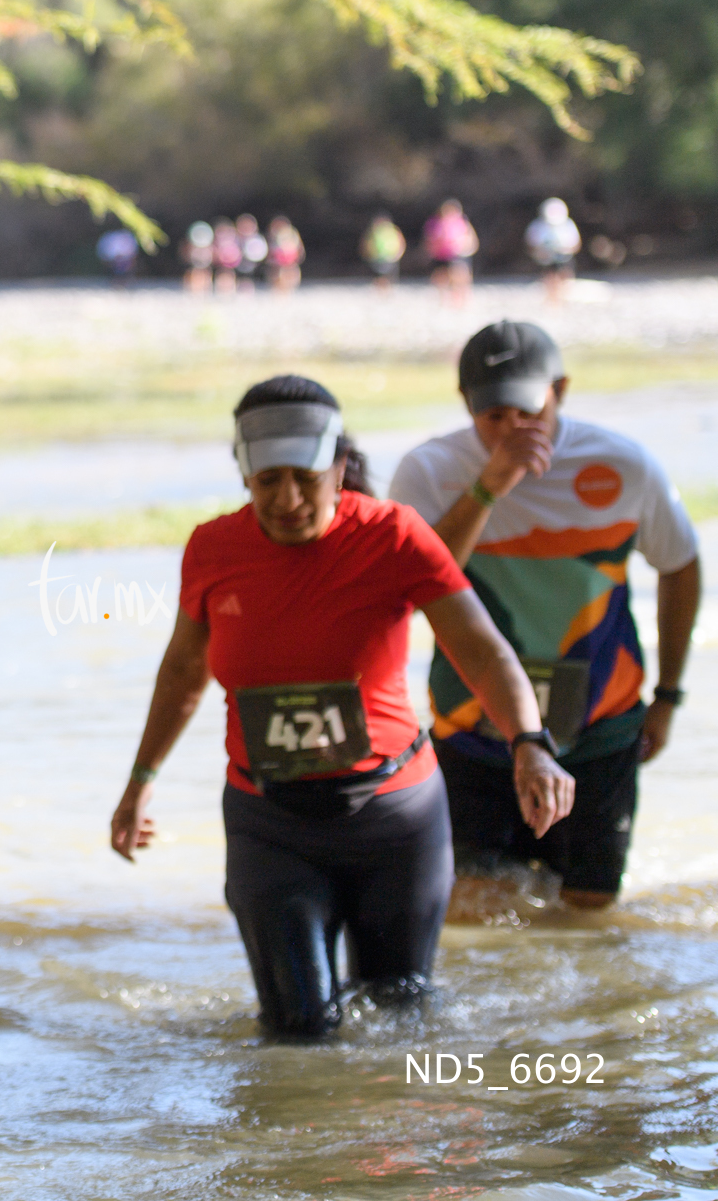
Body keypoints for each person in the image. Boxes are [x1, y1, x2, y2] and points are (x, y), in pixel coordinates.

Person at [109, 376, 564, 1038]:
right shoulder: (213, 548)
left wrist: (530, 742)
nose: (286, 499)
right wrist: (140, 782)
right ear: (244, 476)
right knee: (297, 1030)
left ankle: (390, 1143)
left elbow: (483, 651)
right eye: (268, 481)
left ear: (339, 468)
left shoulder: (394, 537)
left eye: (304, 477)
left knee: (400, 1015)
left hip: (396, 822)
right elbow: (183, 671)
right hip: (270, 825)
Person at [389, 321, 701, 913]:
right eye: (493, 417)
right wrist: (488, 488)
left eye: (526, 414)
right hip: (473, 731)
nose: (511, 432)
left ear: (561, 389)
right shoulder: (428, 472)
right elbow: (415, 588)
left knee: (588, 915)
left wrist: (668, 695)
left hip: (601, 727)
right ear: (466, 405)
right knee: (477, 915)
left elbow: (681, 566)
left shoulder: (624, 466)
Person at [424, 199, 479, 308]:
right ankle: (444, 299)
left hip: (458, 254)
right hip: (441, 255)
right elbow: (429, 239)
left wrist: (468, 249)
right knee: (440, 277)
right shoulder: (435, 223)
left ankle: (461, 300)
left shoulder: (462, 222)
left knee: (460, 276)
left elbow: (471, 239)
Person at [525, 198, 582, 304]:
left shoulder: (568, 225)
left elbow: (576, 244)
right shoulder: (538, 226)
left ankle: (562, 298)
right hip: (546, 259)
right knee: (549, 276)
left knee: (564, 276)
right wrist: (540, 253)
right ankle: (551, 299)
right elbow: (531, 245)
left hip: (563, 257)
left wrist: (565, 250)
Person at [361, 213, 405, 295]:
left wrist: (399, 254)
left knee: (389, 277)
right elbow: (367, 244)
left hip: (390, 257)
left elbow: (400, 242)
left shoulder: (393, 230)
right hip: (377, 258)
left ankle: (386, 293)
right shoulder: (373, 231)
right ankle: (380, 293)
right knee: (379, 277)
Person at [267, 216, 305, 294]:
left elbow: (298, 247)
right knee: (278, 275)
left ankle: (289, 290)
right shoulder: (273, 235)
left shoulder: (292, 233)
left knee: (292, 275)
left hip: (290, 259)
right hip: (280, 261)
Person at [234, 213, 267, 292]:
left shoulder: (257, 239)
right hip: (236, 265)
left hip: (253, 266)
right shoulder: (234, 238)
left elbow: (262, 253)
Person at [211, 218, 242, 295]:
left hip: (231, 265)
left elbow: (238, 253)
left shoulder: (235, 240)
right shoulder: (216, 241)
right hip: (220, 265)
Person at [183, 220, 214, 295]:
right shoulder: (191, 247)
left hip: (204, 263)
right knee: (194, 273)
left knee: (205, 274)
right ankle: (193, 292)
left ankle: (205, 292)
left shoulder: (207, 247)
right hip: (195, 263)